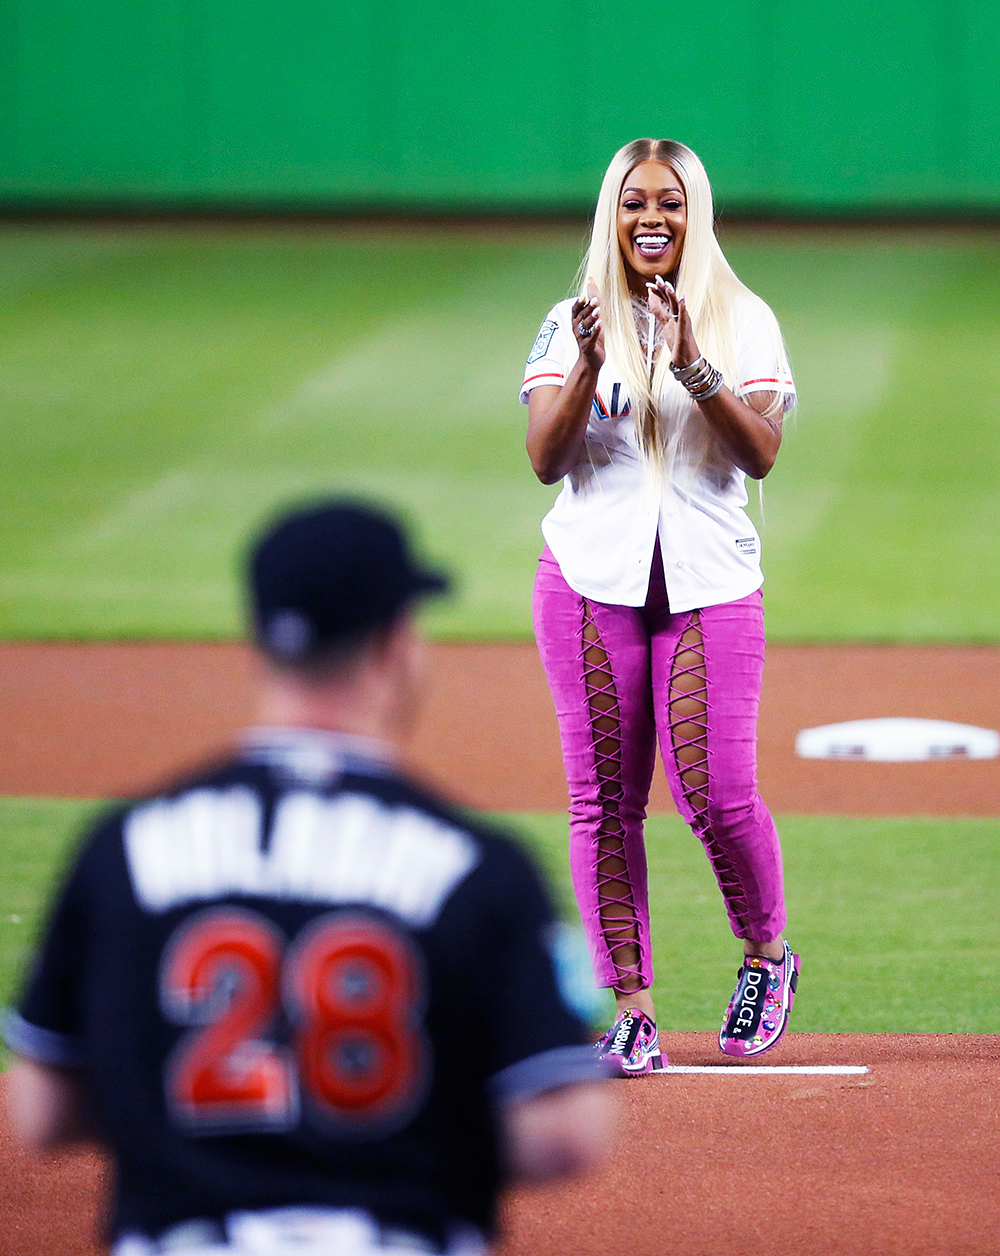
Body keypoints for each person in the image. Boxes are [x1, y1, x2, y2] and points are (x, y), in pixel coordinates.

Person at [3, 499, 613, 1255]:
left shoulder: (121, 849)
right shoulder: (479, 867)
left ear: (258, 641)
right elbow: (565, 1136)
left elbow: (42, 1111)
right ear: (395, 645)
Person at [521, 137, 801, 1075]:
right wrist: (585, 363)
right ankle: (632, 1008)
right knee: (603, 803)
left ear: (696, 213)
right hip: (587, 583)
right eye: (635, 201)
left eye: (670, 202)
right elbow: (545, 459)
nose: (652, 218)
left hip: (709, 585)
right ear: (613, 213)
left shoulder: (743, 318)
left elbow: (760, 453)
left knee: (716, 795)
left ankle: (766, 956)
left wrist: (692, 364)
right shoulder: (570, 320)